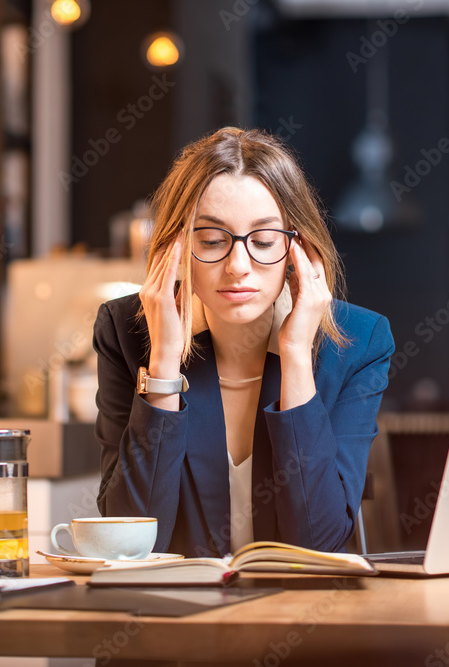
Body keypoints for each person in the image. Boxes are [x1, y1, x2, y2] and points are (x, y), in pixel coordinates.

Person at [92, 127, 396, 558]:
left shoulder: (359, 343)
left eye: (264, 241)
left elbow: (318, 545)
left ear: (299, 247)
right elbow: (130, 546)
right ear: (176, 247)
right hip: (177, 614)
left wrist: (294, 357)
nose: (238, 266)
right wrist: (162, 365)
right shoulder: (124, 331)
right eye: (213, 241)